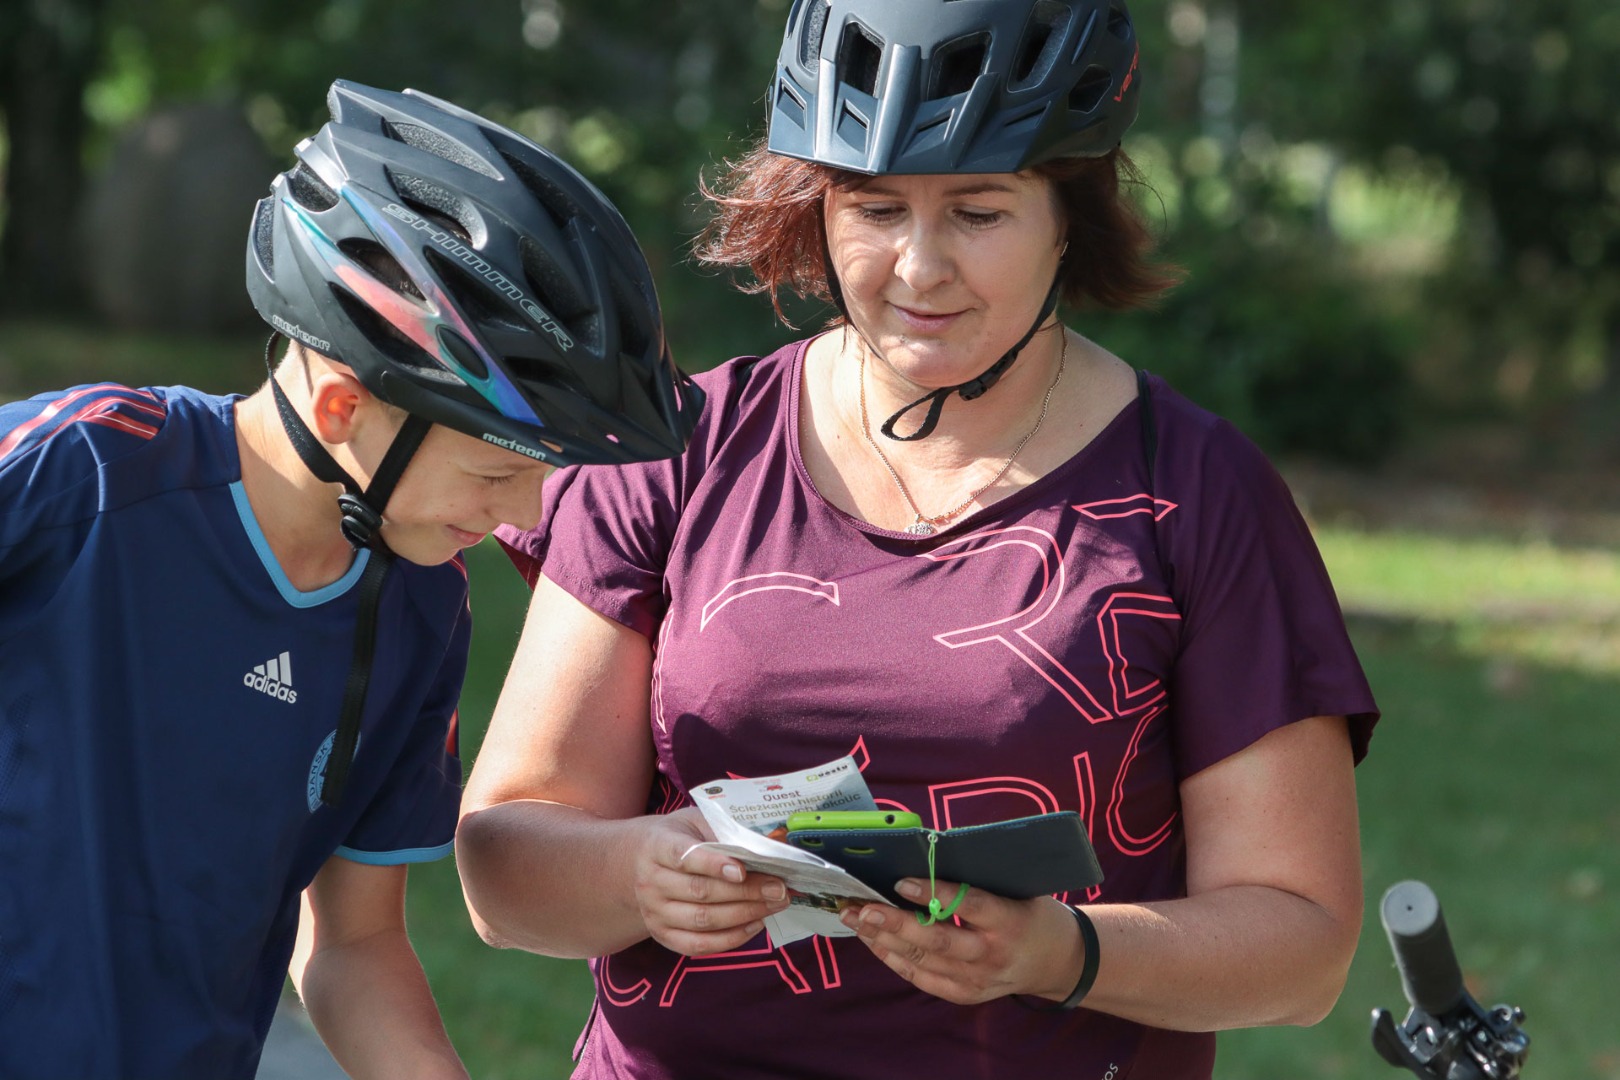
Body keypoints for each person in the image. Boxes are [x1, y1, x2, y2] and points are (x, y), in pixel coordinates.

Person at [456, 1, 1379, 1076]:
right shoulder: (682, 450)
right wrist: (637, 872)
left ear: (1070, 216)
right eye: (876, 210)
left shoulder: (1199, 496)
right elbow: (504, 864)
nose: (918, 268)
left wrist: (1060, 952)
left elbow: (1303, 947)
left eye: (979, 214)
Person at [0, 80, 700, 1079]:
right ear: (340, 405)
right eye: (497, 469)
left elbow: (355, 944)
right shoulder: (85, 470)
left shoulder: (420, 609)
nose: (520, 514)